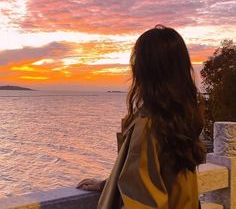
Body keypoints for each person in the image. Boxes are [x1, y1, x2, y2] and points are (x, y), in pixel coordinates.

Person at [77, 25, 205, 208]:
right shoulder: (182, 118)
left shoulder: (148, 126)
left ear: (146, 70)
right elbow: (160, 179)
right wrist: (109, 185)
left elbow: (142, 200)